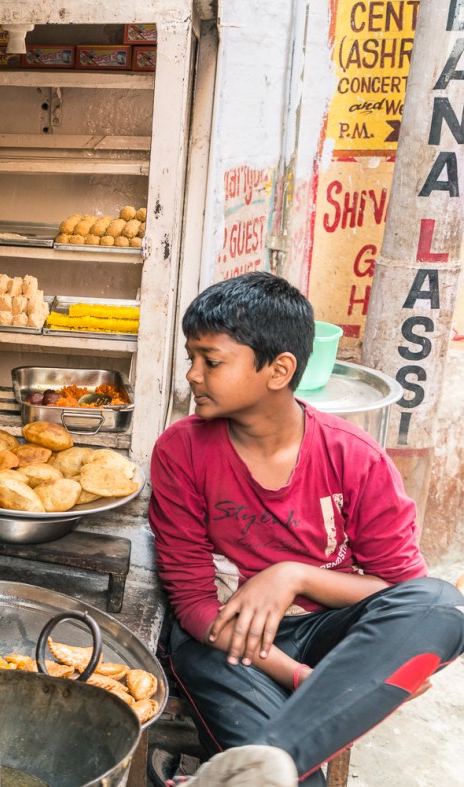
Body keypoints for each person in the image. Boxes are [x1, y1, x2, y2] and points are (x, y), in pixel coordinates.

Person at [148, 271, 464, 786]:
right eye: (191, 358)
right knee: (294, 778)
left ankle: (269, 760)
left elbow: (402, 594)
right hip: (222, 642)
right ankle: (277, 760)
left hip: (325, 633)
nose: (192, 375)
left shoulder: (354, 457)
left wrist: (292, 575)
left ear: (279, 370)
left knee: (442, 605)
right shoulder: (181, 450)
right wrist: (302, 679)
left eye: (211, 361)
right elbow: (192, 602)